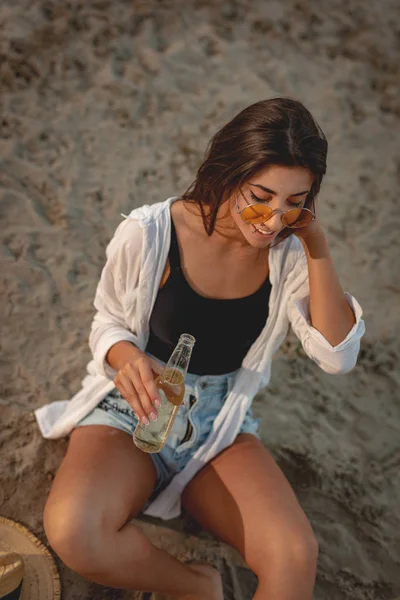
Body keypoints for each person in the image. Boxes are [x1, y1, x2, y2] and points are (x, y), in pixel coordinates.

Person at [36, 97, 365, 600]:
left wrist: (316, 243)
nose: (274, 219)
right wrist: (125, 360)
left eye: (295, 201)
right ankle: (196, 587)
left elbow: (337, 357)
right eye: (262, 195)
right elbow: (108, 322)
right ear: (230, 170)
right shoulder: (150, 233)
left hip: (219, 426)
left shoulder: (290, 253)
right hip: (131, 411)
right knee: (73, 529)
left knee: (294, 557)